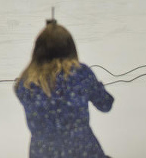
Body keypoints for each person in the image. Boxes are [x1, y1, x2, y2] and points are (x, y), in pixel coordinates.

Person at [15, 21, 113, 158]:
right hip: (83, 151)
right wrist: (95, 85)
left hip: (43, 153)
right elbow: (106, 104)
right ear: (70, 48)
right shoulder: (81, 74)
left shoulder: (26, 83)